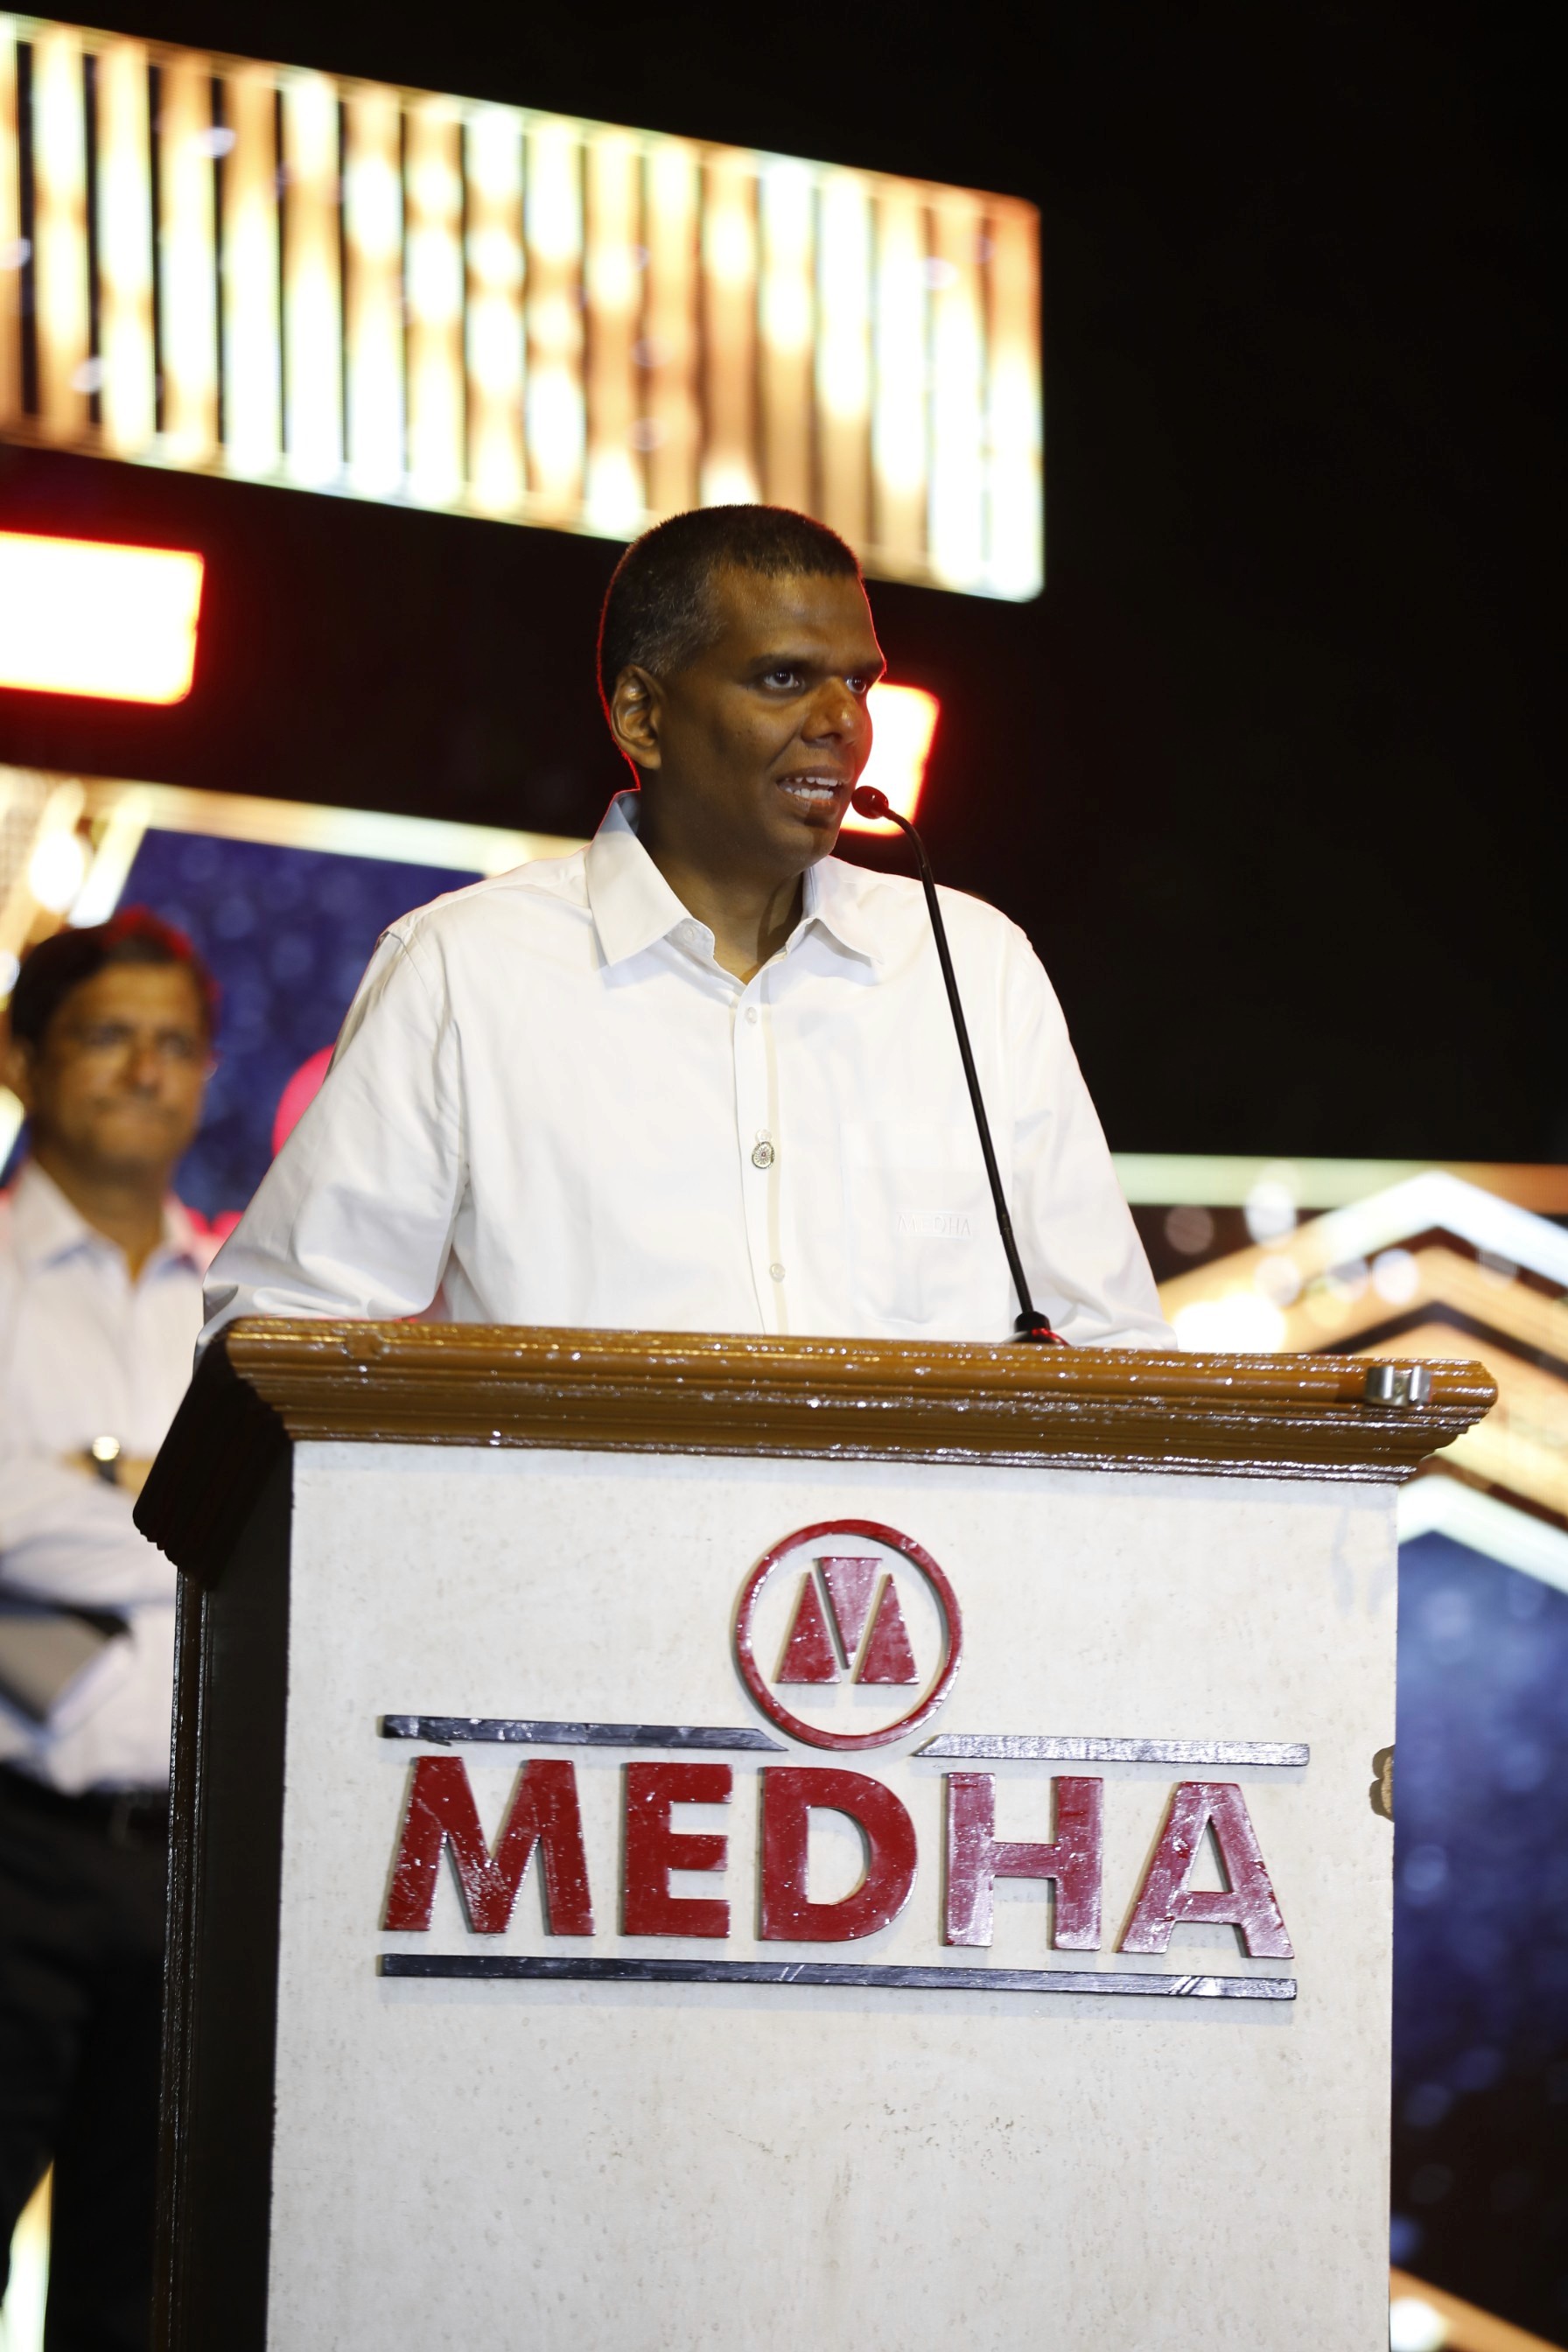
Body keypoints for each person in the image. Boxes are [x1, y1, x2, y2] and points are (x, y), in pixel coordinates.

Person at [204, 506, 1168, 1348]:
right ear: (642, 716)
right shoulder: (465, 970)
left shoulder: (973, 967)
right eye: (785, 678)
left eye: (858, 683)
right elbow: (285, 1334)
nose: (844, 721)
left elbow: (1112, 1344)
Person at [0, 910, 217, 2350]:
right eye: (108, 1035)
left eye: (177, 1043)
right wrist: (192, 1512)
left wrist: (97, 1486)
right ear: (21, 1058)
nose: (148, 1069)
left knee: (141, 2305)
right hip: (12, 1847)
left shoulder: (244, 1302)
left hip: (194, 1871)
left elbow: (290, 1536)